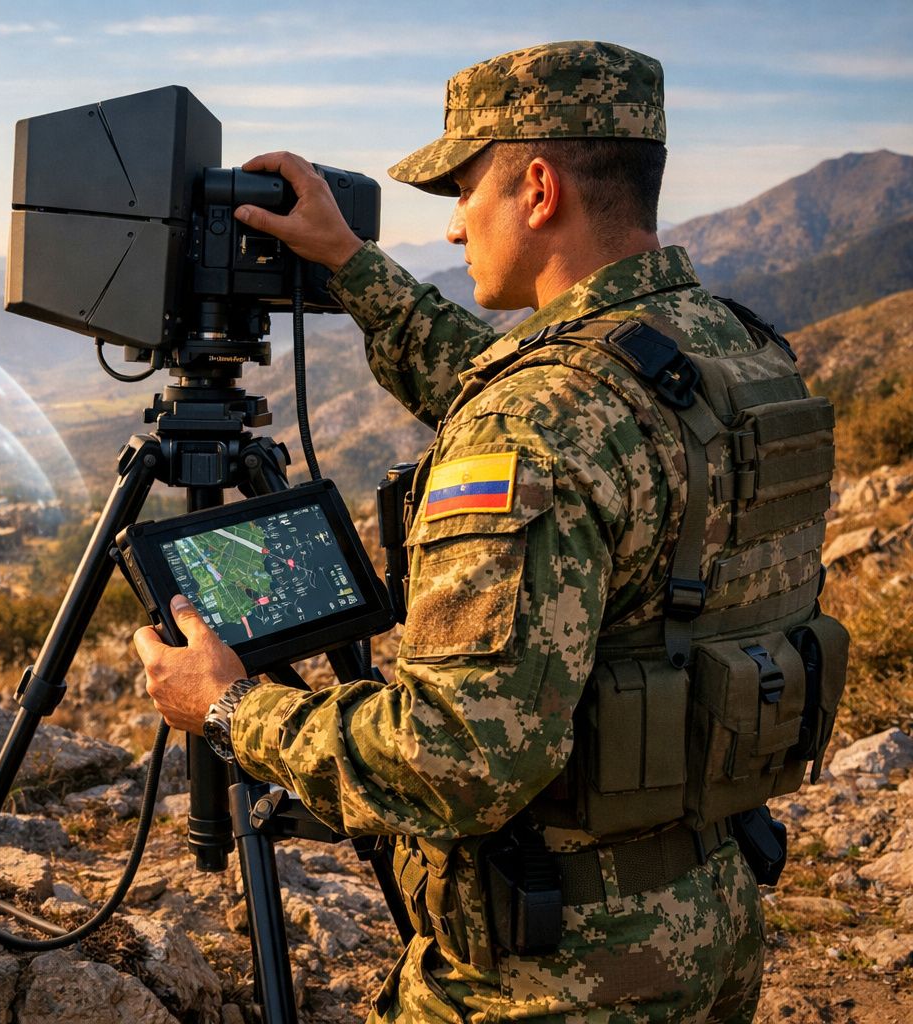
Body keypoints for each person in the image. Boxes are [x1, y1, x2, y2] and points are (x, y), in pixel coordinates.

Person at [134, 40, 837, 1022]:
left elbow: (455, 758)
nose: (458, 226)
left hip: (550, 972)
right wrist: (351, 266)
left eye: (465, 189)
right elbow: (545, 399)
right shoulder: (734, 353)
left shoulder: (548, 416)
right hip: (711, 916)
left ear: (538, 189)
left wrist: (228, 710)